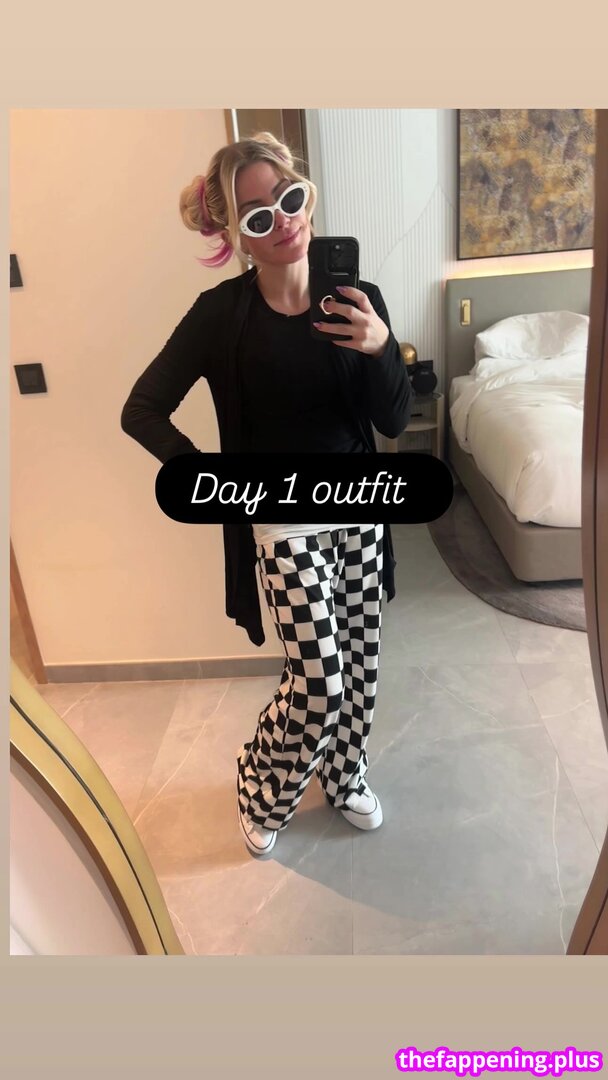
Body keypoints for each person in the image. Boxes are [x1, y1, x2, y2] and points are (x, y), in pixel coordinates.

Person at [121, 132, 411, 858]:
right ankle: (262, 786)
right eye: (258, 215)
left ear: (304, 196)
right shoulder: (222, 316)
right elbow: (142, 409)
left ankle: (343, 776)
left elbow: (394, 420)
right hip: (283, 526)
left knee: (361, 667)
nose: (283, 220)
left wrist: (381, 349)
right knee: (319, 682)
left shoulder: (358, 298)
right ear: (238, 238)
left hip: (359, 513)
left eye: (289, 198)